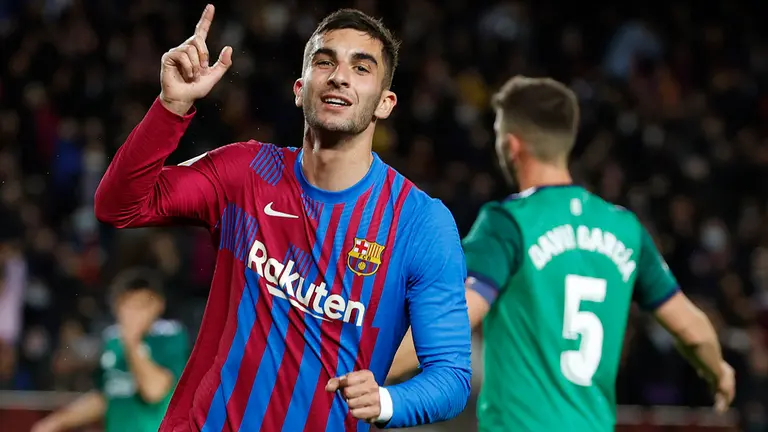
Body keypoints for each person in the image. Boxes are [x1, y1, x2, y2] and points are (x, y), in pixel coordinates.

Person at [93, 5, 471, 432]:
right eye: (324, 61)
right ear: (299, 87)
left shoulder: (420, 224)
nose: (339, 76)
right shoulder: (244, 171)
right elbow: (119, 206)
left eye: (361, 67)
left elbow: (451, 377)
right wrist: (170, 107)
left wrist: (387, 400)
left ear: (385, 103)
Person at [387, 76, 736, 431]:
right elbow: (693, 330)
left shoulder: (509, 222)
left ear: (511, 144)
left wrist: (369, 372)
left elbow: (450, 322)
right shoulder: (625, 228)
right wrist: (719, 371)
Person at [31, 269, 190, 432]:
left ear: (158, 305)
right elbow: (106, 396)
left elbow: (154, 391)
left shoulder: (170, 337)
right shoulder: (112, 340)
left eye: (140, 306)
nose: (132, 314)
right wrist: (56, 422)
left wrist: (132, 342)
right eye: (127, 305)